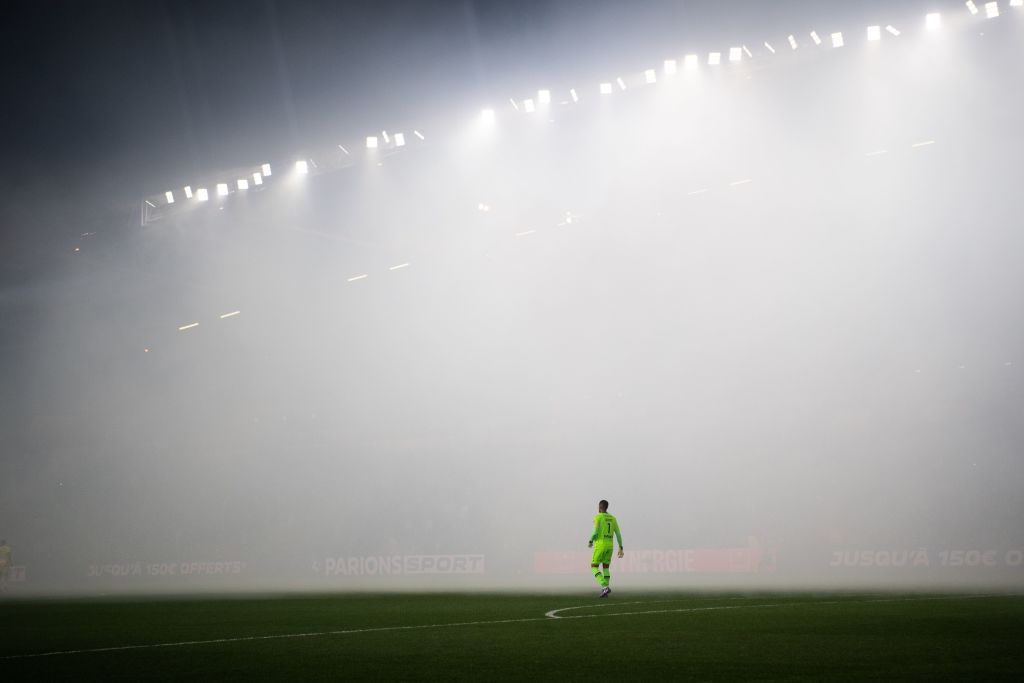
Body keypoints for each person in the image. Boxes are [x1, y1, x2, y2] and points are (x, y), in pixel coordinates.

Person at [587, 500, 623, 597]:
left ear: (599, 507)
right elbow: (618, 534)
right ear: (607, 507)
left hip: (600, 545)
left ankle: (604, 586)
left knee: (594, 566)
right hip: (610, 545)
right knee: (606, 567)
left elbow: (594, 532)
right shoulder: (613, 518)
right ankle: (605, 590)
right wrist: (621, 547)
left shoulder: (598, 517)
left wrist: (590, 541)